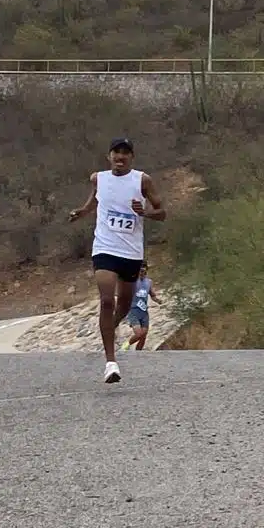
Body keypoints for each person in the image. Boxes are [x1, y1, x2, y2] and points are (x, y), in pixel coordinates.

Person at [67, 138, 165, 383]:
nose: (120, 157)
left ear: (132, 157)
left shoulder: (142, 180)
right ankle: (111, 363)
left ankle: (107, 331)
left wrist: (145, 213)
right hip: (105, 248)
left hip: (131, 253)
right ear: (109, 155)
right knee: (107, 301)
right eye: (116, 152)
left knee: (123, 306)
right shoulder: (98, 178)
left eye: (125, 153)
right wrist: (81, 212)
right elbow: (93, 203)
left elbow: (162, 212)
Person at [123, 263, 162, 351]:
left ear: (146, 271)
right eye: (140, 271)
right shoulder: (132, 281)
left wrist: (158, 300)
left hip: (144, 312)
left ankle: (139, 354)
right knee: (139, 334)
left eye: (144, 271)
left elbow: (152, 295)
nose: (142, 273)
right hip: (133, 311)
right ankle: (126, 345)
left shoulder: (149, 282)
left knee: (143, 336)